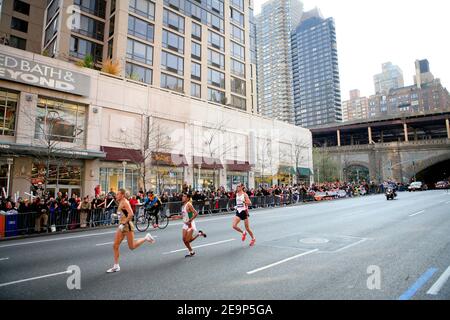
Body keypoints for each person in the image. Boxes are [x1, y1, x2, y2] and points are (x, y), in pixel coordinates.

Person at [107, 189, 155, 273]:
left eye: (118, 194)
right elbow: (123, 213)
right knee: (115, 245)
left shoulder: (125, 202)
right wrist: (115, 216)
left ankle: (146, 238)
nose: (116, 196)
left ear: (122, 195)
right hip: (121, 226)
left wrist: (123, 223)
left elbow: (131, 214)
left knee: (132, 246)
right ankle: (116, 266)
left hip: (127, 226)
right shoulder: (120, 202)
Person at [179, 192, 206, 258]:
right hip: (185, 224)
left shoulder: (189, 205)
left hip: (190, 224)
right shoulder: (183, 206)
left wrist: (190, 220)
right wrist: (175, 217)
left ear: (187, 198)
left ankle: (199, 234)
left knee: (188, 240)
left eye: (184, 196)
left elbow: (196, 213)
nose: (182, 197)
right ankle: (191, 252)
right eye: (182, 196)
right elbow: (183, 215)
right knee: (184, 239)